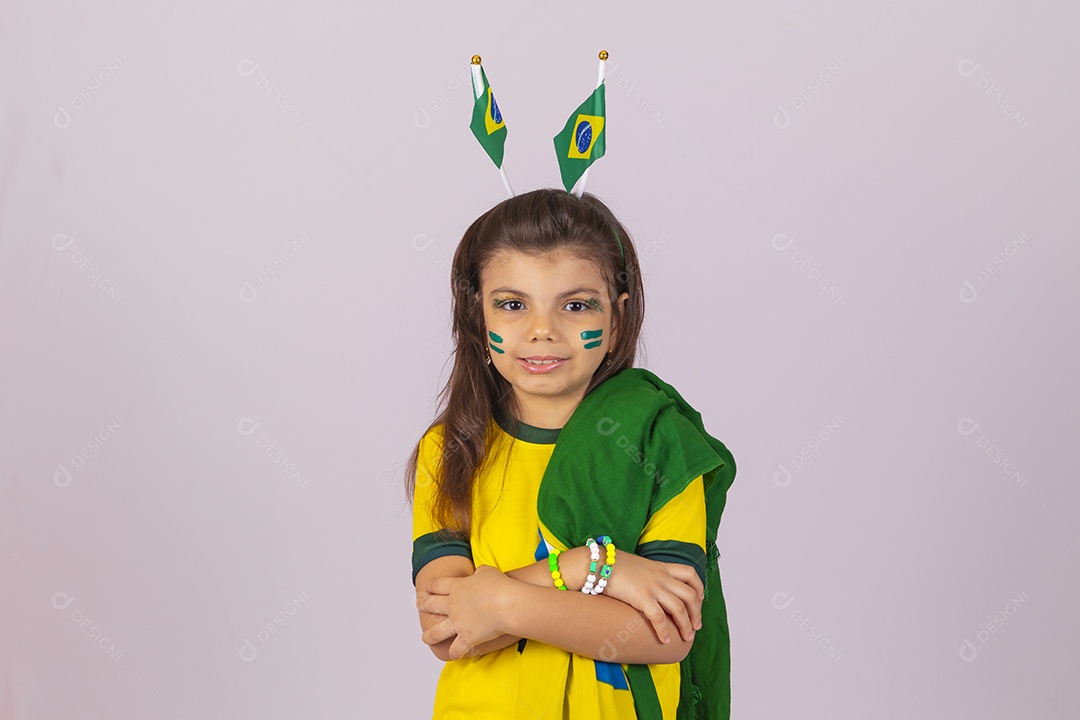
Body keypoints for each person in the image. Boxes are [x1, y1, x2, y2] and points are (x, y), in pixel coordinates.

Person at [406, 188, 736, 719]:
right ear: (477, 318)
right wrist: (588, 567)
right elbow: (448, 629)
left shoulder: (658, 443)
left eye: (576, 305)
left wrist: (500, 602)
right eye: (512, 305)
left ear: (616, 322)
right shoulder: (449, 451)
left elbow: (666, 634)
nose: (542, 330)